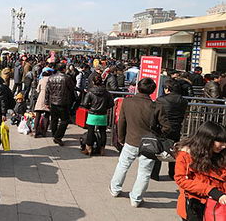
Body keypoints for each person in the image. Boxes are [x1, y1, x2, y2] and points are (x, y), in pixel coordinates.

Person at [110, 78, 172, 207]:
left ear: (138, 87)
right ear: (153, 90)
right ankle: (136, 199)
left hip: (131, 140)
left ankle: (115, 189)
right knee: (144, 172)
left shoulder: (127, 102)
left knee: (122, 165)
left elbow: (121, 122)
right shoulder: (156, 106)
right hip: (149, 144)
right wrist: (157, 135)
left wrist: (121, 138)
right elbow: (167, 127)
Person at [174, 121, 226, 221]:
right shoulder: (186, 155)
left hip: (219, 205)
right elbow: (181, 180)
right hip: (195, 204)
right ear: (207, 140)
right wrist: (211, 191)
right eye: (220, 142)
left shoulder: (221, 154)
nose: (224, 146)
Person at [153, 79, 188, 180]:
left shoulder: (161, 100)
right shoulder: (183, 101)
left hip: (162, 128)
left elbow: (156, 114)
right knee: (174, 151)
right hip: (176, 128)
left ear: (168, 89)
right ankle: (173, 173)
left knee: (158, 150)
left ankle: (154, 174)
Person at [80, 75, 114, 156]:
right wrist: (105, 108)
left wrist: (90, 107)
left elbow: (84, 104)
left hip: (92, 114)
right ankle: (102, 149)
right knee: (103, 132)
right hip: (103, 114)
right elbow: (111, 104)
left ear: (93, 82)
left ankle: (89, 149)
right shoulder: (106, 93)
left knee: (90, 132)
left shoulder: (90, 92)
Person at [45, 63, 75, 146]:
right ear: (64, 69)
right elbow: (72, 88)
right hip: (63, 102)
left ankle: (55, 135)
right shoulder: (66, 78)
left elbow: (47, 90)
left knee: (54, 120)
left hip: (53, 101)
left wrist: (46, 102)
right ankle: (58, 137)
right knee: (65, 120)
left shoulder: (51, 77)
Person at [33, 69, 53, 137]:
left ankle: (35, 130)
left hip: (41, 97)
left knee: (38, 115)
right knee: (47, 115)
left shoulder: (41, 80)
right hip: (49, 98)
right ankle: (44, 132)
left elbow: (38, 89)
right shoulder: (51, 80)